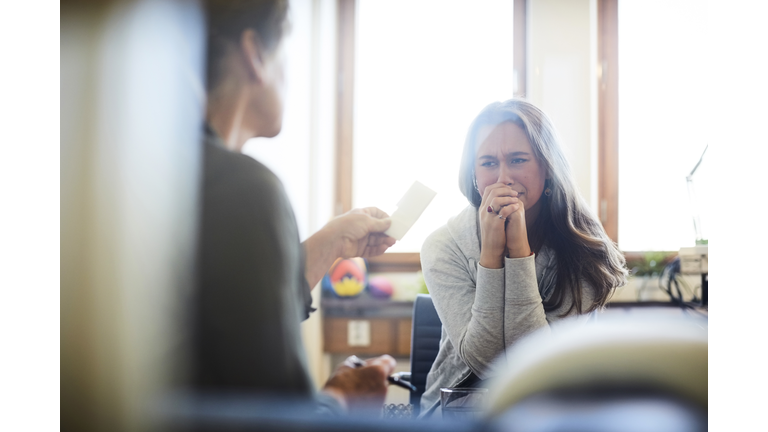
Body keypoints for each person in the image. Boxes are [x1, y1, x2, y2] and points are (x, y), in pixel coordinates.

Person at [192, 0, 397, 415]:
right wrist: (343, 396)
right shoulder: (245, 189)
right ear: (255, 55)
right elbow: (279, 422)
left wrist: (332, 241)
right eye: (285, 53)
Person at [418, 99, 628, 416]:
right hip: (457, 408)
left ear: (547, 168)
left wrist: (518, 250)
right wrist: (490, 255)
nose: (503, 178)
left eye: (517, 160)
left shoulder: (584, 247)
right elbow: (484, 361)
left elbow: (537, 363)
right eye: (488, 163)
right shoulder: (442, 246)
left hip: (551, 403)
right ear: (474, 174)